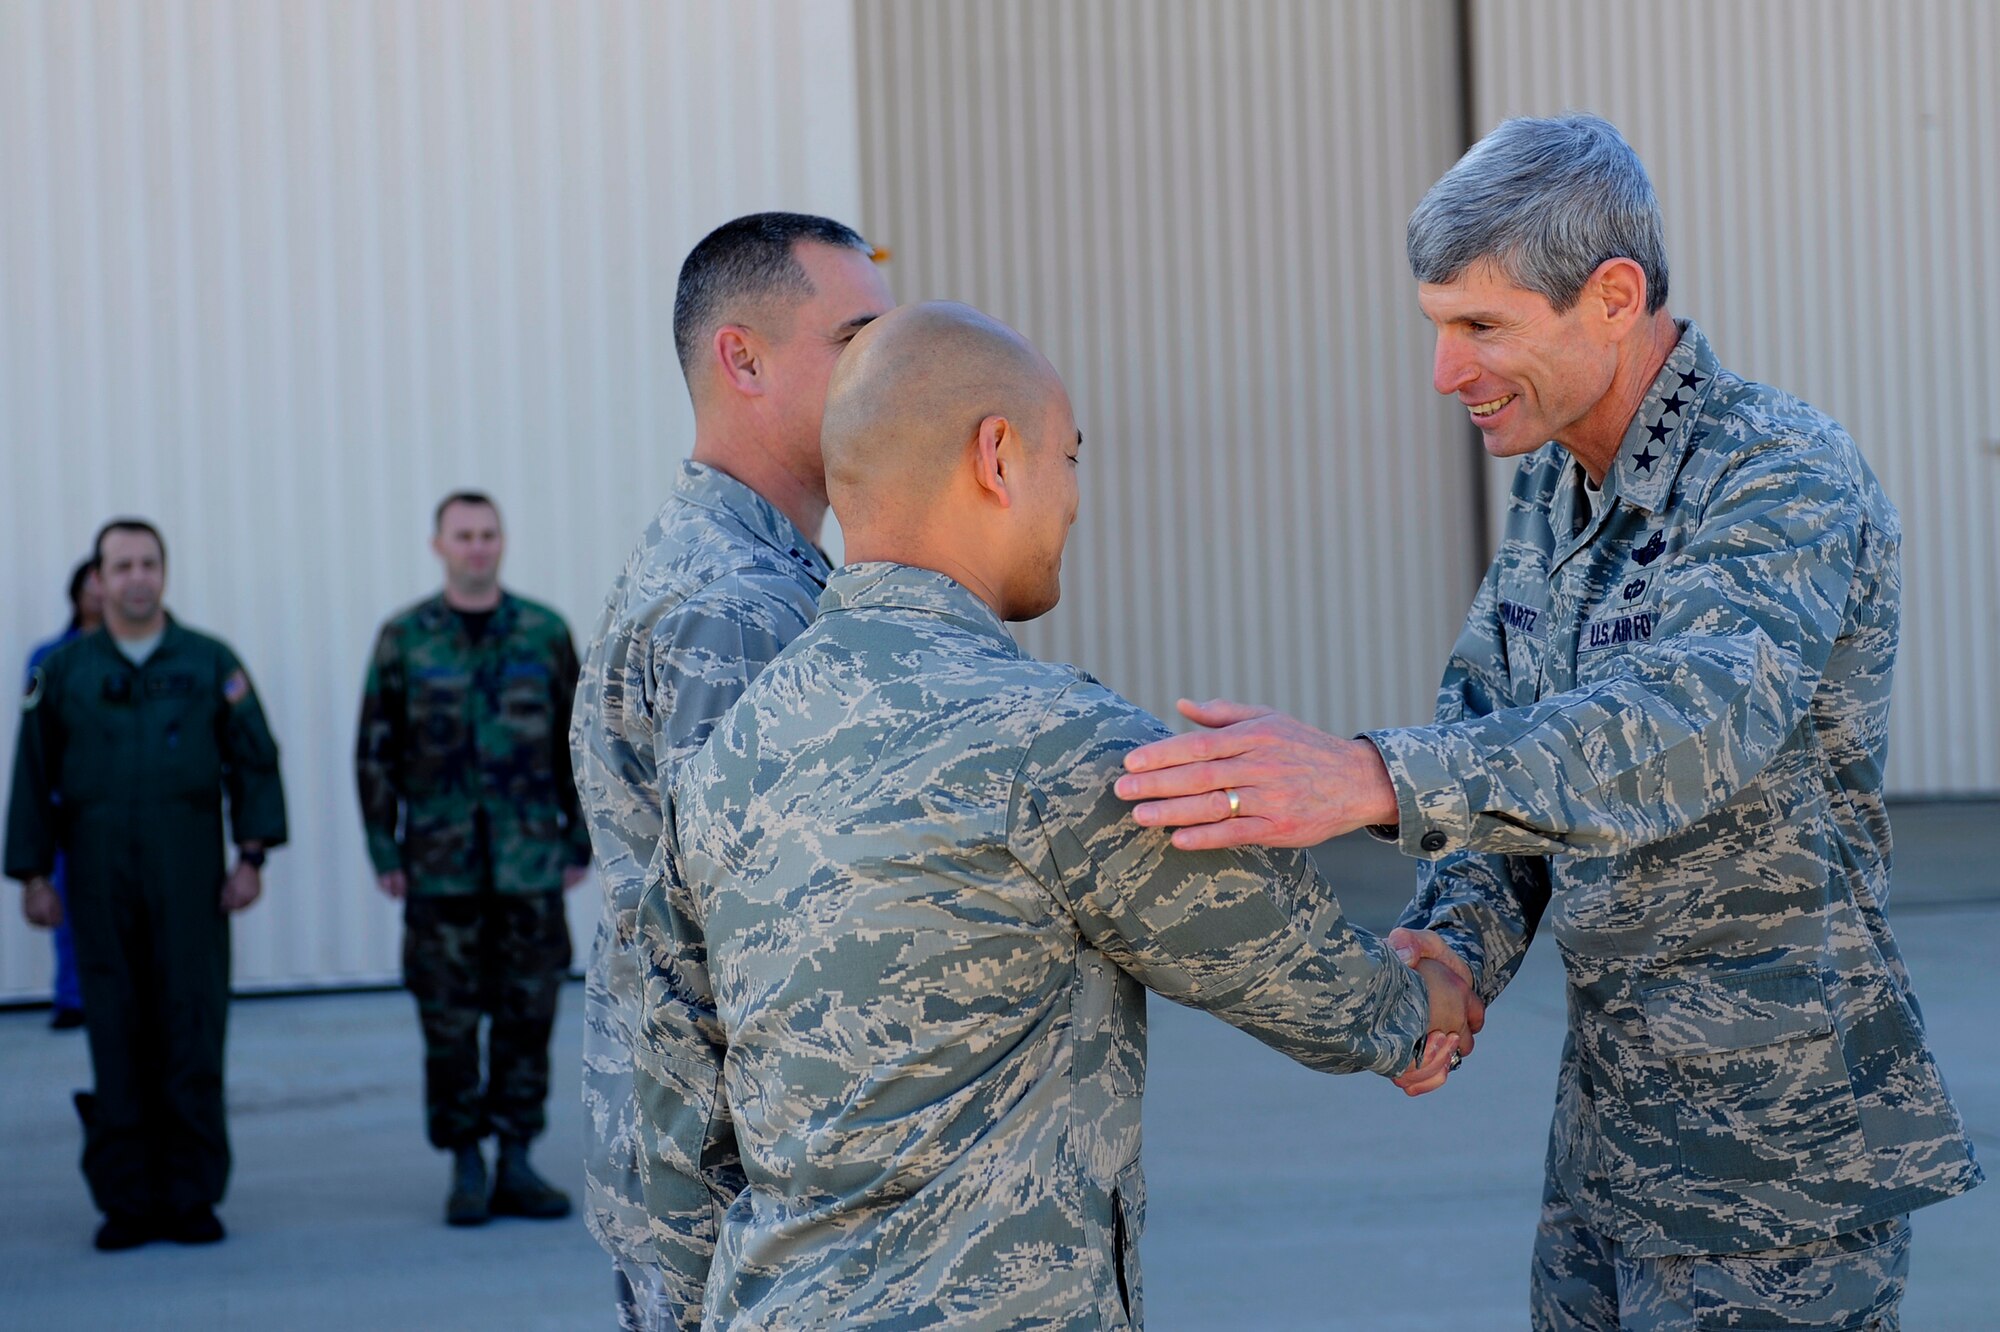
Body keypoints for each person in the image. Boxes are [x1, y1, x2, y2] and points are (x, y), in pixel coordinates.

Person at [1113, 113, 1982, 1330]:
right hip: (1607, 1136)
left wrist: (1369, 777)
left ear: (1612, 296)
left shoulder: (1776, 470)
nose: (1445, 373)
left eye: (1480, 328)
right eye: (1436, 328)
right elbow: (1499, 738)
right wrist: (1454, 951)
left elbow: (1689, 726)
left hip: (1772, 1162)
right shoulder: (1551, 484)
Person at [635, 301, 1475, 1329]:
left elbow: (675, 1106)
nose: (1073, 498)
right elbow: (1301, 977)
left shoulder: (731, 753)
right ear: (997, 456)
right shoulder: (1052, 744)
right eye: (1068, 457)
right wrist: (1421, 1003)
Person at [570, 211, 895, 1330]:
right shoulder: (736, 604)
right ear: (741, 359)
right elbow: (763, 943)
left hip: (698, 1149)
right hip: (728, 1178)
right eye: (855, 340)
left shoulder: (753, 568)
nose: (886, 373)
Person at [6, 519, 285, 1251]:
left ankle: (191, 1195)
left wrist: (251, 856)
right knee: (117, 1034)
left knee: (191, 1030)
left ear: (164, 572)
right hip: (97, 876)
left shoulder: (207, 661)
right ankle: (127, 1201)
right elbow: (32, 774)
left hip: (188, 870)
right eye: (120, 565)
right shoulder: (65, 671)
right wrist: (34, 876)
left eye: (148, 563)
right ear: (97, 579)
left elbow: (254, 759)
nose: (135, 577)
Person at [354, 491, 591, 1227]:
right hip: (439, 868)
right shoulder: (404, 638)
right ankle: (464, 1163)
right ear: (439, 546)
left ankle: (517, 1159)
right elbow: (375, 751)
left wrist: (578, 838)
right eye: (464, 536)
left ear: (502, 542)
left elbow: (578, 745)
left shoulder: (544, 633)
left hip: (527, 866)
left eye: (489, 534)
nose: (478, 547)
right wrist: (383, 847)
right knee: (449, 1024)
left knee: (528, 1016)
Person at [24, 556, 104, 1030]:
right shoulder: (47, 657)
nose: (97, 593)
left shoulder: (134, 655)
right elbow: (32, 720)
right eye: (89, 584)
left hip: (118, 802)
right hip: (66, 802)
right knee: (68, 903)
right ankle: (72, 998)